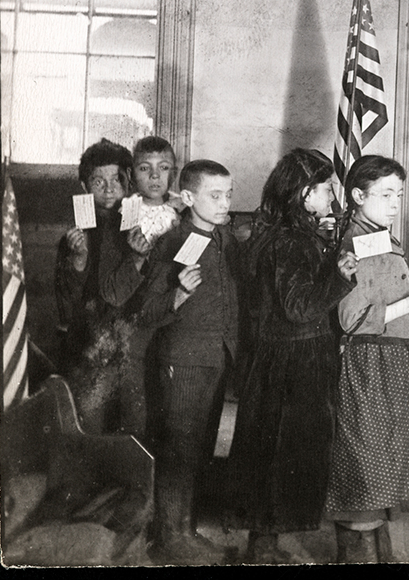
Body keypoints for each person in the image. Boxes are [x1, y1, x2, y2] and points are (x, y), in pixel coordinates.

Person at [227, 149, 357, 564]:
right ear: (304, 195)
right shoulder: (291, 240)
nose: (334, 195)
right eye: (326, 188)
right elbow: (299, 308)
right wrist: (340, 276)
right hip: (294, 360)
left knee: (272, 453)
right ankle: (261, 551)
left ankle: (262, 545)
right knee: (282, 454)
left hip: (284, 356)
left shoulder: (286, 233)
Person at [324, 155, 409, 564]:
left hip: (393, 360)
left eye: (399, 194)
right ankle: (358, 556)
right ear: (357, 196)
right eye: (385, 194)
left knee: (385, 459)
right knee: (366, 459)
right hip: (370, 365)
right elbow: (351, 319)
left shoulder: (382, 235)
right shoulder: (356, 242)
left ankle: (379, 554)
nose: (395, 203)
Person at [141, 159, 239, 565]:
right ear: (188, 197)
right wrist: (178, 293)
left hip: (215, 358)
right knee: (178, 449)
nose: (224, 203)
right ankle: (170, 537)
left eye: (228, 195)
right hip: (182, 360)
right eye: (214, 196)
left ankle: (187, 531)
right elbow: (147, 311)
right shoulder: (172, 242)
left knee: (197, 449)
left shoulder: (224, 239)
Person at [96, 135, 180, 442]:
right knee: (136, 416)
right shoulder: (121, 218)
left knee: (171, 420)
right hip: (133, 336)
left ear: (174, 172)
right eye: (145, 168)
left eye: (164, 168)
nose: (155, 176)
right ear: (132, 175)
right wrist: (137, 258)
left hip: (172, 334)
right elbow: (112, 293)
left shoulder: (181, 217)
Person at [54, 137, 133, 433]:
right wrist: (78, 259)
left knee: (127, 424)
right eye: (99, 181)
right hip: (88, 342)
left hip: (128, 338)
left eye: (117, 179)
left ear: (129, 183)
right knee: (89, 422)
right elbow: (65, 298)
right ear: (85, 188)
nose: (109, 188)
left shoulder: (138, 226)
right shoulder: (75, 234)